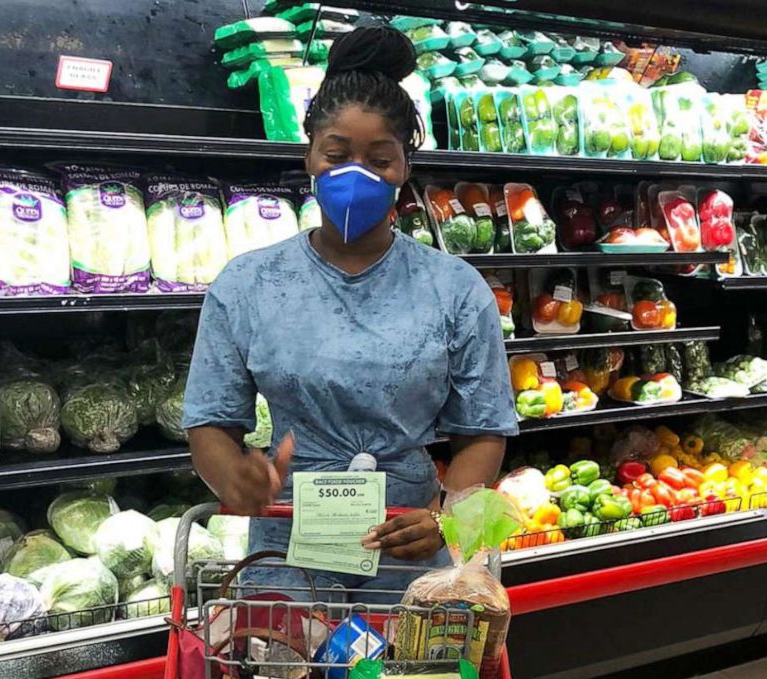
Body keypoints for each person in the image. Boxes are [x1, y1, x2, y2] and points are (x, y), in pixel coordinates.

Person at [182, 26, 518, 599]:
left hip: (409, 540)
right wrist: (231, 476)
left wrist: (444, 520)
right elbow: (210, 420)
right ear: (309, 155)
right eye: (336, 155)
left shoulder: (456, 289)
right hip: (286, 539)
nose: (355, 174)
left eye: (379, 159)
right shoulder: (249, 283)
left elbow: (483, 430)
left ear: (404, 168)